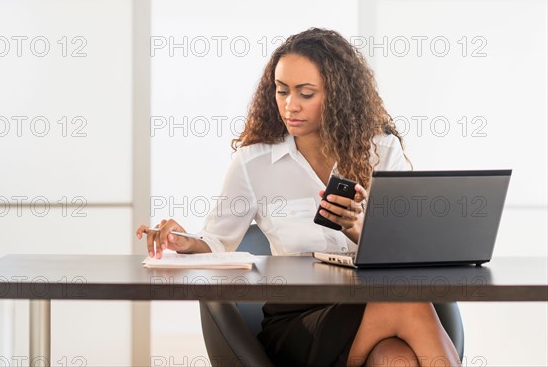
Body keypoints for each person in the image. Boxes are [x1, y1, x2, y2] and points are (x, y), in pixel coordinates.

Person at [136, 28, 461, 367]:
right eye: (282, 91)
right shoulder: (254, 163)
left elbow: (408, 252)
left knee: (396, 358)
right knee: (407, 303)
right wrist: (185, 242)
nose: (290, 105)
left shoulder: (380, 151)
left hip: (371, 303)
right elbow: (218, 241)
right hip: (299, 320)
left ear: (339, 96)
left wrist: (357, 227)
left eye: (306, 93)